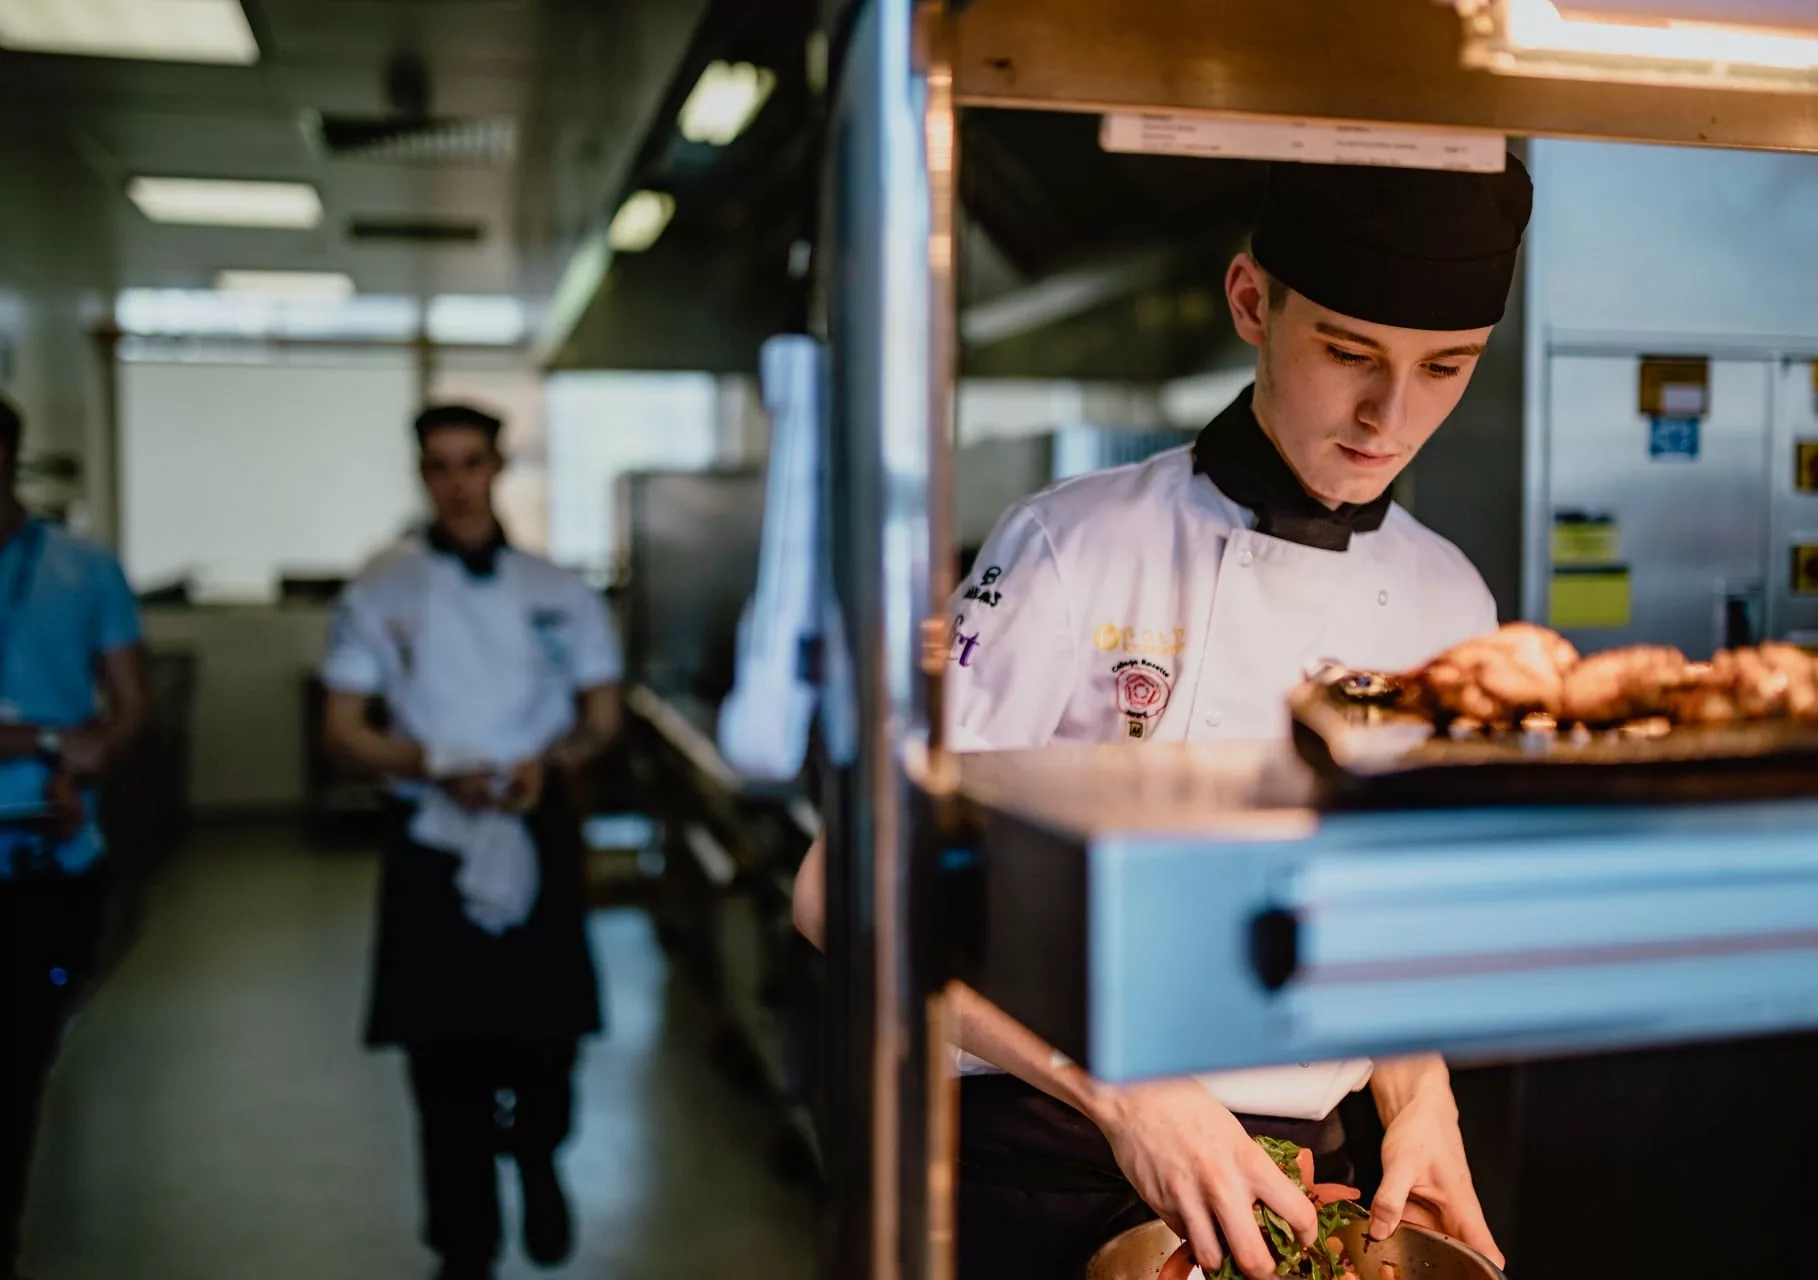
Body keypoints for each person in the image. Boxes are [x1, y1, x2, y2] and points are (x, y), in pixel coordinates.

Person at [794, 156, 1533, 1280]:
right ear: (1250, 301)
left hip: (1296, 1174)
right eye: (1348, 352)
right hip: (1045, 1153)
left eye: (1446, 367)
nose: (1393, 414)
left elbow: (1380, 911)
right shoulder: (1075, 547)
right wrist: (1128, 1089)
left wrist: (1418, 1086)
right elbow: (841, 884)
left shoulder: (1451, 601)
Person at [321, 404, 622, 1280]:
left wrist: (552, 761)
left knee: (547, 1035)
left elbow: (602, 716)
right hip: (432, 837)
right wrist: (423, 762)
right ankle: (463, 1247)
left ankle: (536, 1154)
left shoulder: (557, 591)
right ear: (421, 476)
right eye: (439, 466)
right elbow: (343, 726)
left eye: (472, 463)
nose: (457, 482)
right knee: (440, 1052)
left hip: (536, 825)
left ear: (499, 469)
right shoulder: (382, 591)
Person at [0, 394, 147, 1280]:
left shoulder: (83, 572)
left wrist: (80, 756)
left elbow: (128, 707)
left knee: (18, 1063)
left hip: (46, 857)